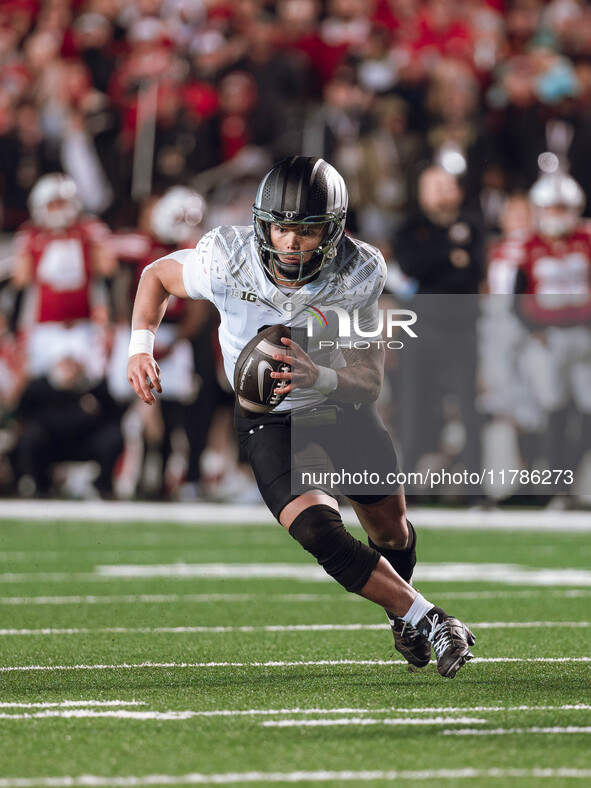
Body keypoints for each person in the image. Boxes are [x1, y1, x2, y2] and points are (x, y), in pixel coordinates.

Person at [127, 155, 475, 678]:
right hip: (269, 417)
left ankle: (404, 616)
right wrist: (140, 345)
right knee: (317, 528)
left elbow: (371, 378)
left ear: (332, 231)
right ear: (262, 222)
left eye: (307, 230)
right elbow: (157, 276)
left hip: (341, 407)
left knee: (393, 531)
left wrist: (321, 378)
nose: (290, 241)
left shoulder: (359, 271)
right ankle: (428, 618)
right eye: (281, 227)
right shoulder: (227, 258)